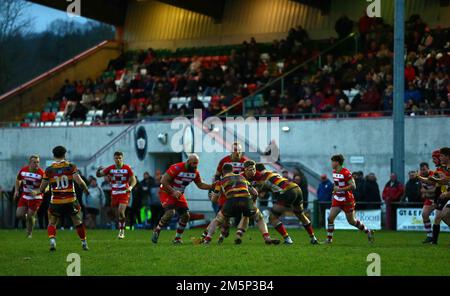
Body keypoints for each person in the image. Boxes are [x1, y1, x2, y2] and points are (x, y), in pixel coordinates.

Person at [203, 163, 279, 245]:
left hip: (231, 201)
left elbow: (214, 200)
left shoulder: (221, 181)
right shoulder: (242, 178)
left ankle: (207, 239)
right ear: (232, 170)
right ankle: (267, 237)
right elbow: (255, 193)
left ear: (223, 172)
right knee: (259, 218)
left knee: (217, 220)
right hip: (246, 200)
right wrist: (252, 203)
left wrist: (212, 198)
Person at [31, 146, 90, 251]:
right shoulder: (71, 166)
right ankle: (84, 243)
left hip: (56, 201)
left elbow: (42, 188)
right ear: (64, 154)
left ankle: (52, 241)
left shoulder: (49, 170)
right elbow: (79, 182)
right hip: (71, 199)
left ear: (53, 155)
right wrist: (86, 190)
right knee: (77, 221)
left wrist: (38, 191)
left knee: (52, 222)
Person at [247, 162, 318, 245]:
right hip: (296, 188)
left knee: (272, 218)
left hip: (287, 191)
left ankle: (288, 239)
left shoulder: (263, 178)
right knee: (301, 215)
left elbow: (261, 195)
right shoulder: (272, 173)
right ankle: (313, 238)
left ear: (257, 171)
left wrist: (251, 188)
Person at [152, 154, 213, 244]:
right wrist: (173, 192)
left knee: (186, 216)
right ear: (188, 162)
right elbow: (163, 181)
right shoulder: (176, 168)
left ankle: (177, 238)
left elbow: (200, 185)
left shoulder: (195, 172)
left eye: (197, 163)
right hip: (166, 192)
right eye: (193, 163)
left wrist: (212, 186)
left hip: (179, 194)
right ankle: (157, 229)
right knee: (170, 212)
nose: (195, 166)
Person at [202, 142, 250, 243]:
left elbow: (250, 176)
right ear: (231, 151)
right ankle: (223, 234)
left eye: (239, 151)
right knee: (222, 217)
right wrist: (216, 188)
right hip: (226, 191)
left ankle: (209, 236)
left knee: (222, 217)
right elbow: (217, 175)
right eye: (235, 151)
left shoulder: (245, 161)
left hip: (241, 191)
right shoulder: (224, 161)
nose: (237, 153)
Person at [326, 154, 374, 244]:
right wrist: (335, 190)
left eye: (332, 161)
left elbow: (353, 186)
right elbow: (337, 184)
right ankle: (329, 240)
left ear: (337, 162)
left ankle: (368, 232)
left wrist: (340, 189)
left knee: (351, 221)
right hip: (337, 199)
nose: (331, 163)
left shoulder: (346, 173)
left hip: (347, 200)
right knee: (330, 218)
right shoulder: (334, 172)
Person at [96, 151, 137, 239]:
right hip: (114, 194)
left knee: (121, 212)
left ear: (122, 158)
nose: (118, 160)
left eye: (120, 158)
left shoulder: (127, 168)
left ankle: (121, 231)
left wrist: (130, 187)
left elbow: (134, 180)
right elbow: (99, 175)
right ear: (114, 159)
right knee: (117, 214)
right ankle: (119, 226)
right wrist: (98, 170)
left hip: (124, 193)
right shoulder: (110, 168)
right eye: (116, 158)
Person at [421, 147, 450, 245]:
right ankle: (432, 239)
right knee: (439, 216)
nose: (433, 160)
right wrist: (420, 178)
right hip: (442, 195)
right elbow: (434, 181)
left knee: (441, 216)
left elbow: (439, 182)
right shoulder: (439, 169)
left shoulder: (443, 168)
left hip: (443, 195)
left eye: (435, 158)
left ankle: (433, 240)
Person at [14, 155, 46, 238]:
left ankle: (29, 234)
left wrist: (37, 191)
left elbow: (47, 187)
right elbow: (18, 179)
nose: (36, 164)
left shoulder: (41, 173)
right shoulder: (23, 170)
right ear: (30, 163)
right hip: (25, 196)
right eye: (34, 162)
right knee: (19, 215)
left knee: (30, 215)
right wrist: (16, 190)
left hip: (36, 198)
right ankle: (30, 220)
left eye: (38, 162)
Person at [418, 156, 439, 243]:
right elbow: (423, 190)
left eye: (424, 169)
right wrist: (425, 192)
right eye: (422, 170)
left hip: (438, 198)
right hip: (430, 199)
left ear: (428, 169)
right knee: (424, 214)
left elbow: (436, 189)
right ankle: (429, 235)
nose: (423, 171)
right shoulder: (420, 176)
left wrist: (426, 192)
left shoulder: (434, 174)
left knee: (443, 217)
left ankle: (433, 237)